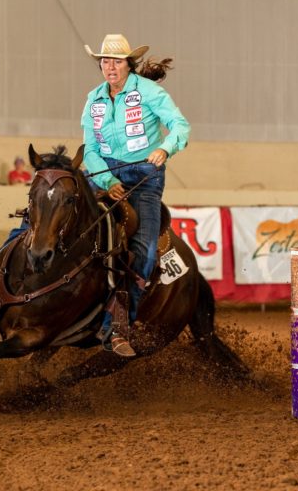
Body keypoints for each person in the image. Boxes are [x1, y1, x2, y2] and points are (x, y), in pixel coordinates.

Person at [81, 34, 190, 357]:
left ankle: (119, 326)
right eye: (105, 61)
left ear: (129, 64)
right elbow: (89, 147)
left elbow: (180, 126)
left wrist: (165, 148)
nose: (110, 67)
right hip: (102, 174)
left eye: (116, 61)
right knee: (53, 209)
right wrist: (108, 179)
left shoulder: (150, 92)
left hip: (144, 175)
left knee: (142, 249)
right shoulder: (94, 99)